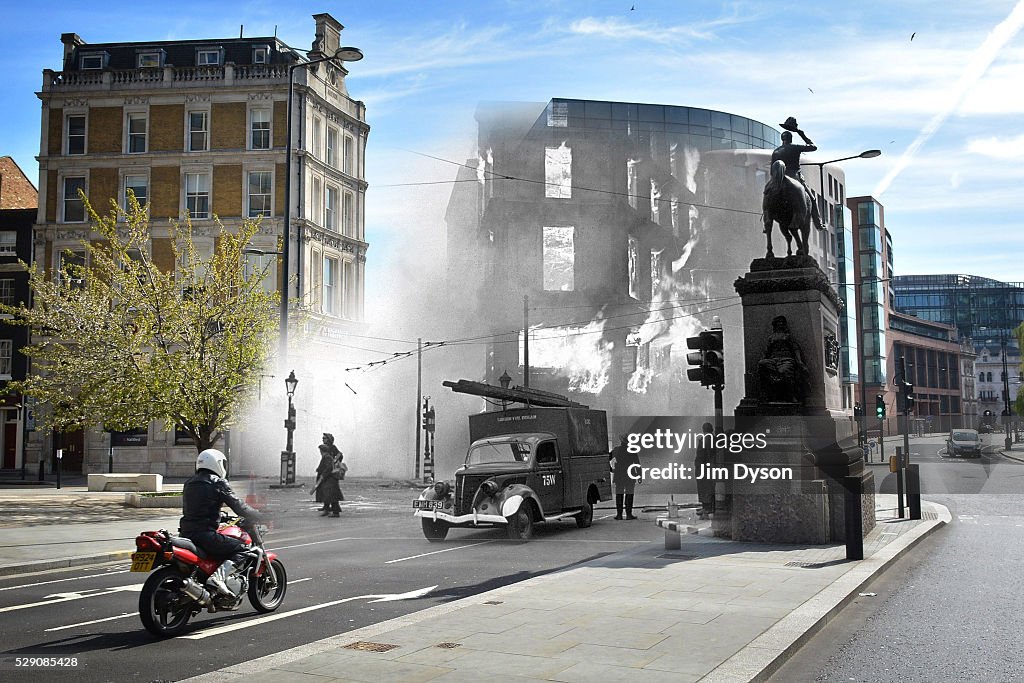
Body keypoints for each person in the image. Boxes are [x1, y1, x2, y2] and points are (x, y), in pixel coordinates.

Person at [179, 448, 263, 597]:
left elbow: (199, 508)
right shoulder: (217, 482)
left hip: (186, 533)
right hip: (205, 536)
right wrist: (259, 515)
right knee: (243, 548)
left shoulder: (189, 483)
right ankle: (218, 578)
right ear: (217, 464)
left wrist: (220, 516)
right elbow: (239, 506)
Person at [770, 117, 823, 230]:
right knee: (812, 199)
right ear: (791, 139)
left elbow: (772, 170)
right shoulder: (795, 147)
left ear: (782, 139)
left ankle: (767, 217)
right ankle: (818, 224)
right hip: (795, 177)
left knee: (768, 194)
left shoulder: (776, 151)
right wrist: (801, 134)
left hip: (779, 179)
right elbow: (813, 147)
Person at [609, 434, 641, 520]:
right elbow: (637, 464)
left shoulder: (617, 450)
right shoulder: (633, 450)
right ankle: (628, 514)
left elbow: (606, 459)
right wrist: (639, 476)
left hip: (619, 474)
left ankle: (619, 515)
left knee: (619, 494)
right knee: (629, 494)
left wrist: (611, 469)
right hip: (630, 475)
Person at [313, 444, 343, 517]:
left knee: (331, 496)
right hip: (328, 479)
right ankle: (327, 510)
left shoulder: (327, 457)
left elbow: (328, 468)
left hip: (329, 479)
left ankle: (335, 512)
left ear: (322, 450)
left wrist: (323, 475)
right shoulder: (327, 457)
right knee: (328, 496)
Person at [694, 422, 716, 519]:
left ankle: (706, 507)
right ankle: (708, 507)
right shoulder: (714, 439)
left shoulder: (705, 440)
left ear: (703, 430)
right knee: (710, 488)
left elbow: (702, 455)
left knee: (705, 488)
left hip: (704, 468)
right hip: (709, 467)